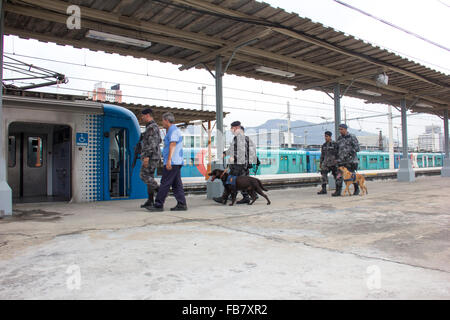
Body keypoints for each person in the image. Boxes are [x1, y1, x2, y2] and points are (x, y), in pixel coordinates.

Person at [147, 112, 187, 212]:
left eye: (163, 120)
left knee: (165, 183)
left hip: (172, 162)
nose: (162, 122)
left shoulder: (173, 131)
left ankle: (158, 205)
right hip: (175, 162)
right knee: (176, 184)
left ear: (166, 120)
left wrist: (169, 160)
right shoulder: (172, 130)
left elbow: (172, 145)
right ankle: (182, 204)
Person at [213, 121, 257, 204]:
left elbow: (242, 151)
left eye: (232, 128)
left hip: (238, 164)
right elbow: (232, 149)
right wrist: (225, 153)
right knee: (242, 182)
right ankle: (247, 197)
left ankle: (224, 198)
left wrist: (234, 157)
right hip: (243, 164)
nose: (231, 130)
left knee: (230, 180)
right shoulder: (241, 137)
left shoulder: (240, 137)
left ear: (236, 128)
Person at [139, 108, 162, 208]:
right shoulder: (152, 127)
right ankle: (150, 200)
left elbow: (152, 143)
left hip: (151, 157)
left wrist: (147, 156)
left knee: (143, 175)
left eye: (143, 115)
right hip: (153, 156)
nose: (142, 117)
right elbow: (159, 140)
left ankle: (160, 191)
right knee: (150, 177)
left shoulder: (152, 127)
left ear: (147, 115)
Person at [333, 124, 360, 197]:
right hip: (341, 161)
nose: (340, 131)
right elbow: (337, 149)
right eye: (339, 129)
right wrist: (336, 158)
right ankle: (338, 191)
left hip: (350, 161)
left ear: (345, 129)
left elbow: (357, 148)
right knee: (338, 176)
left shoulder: (352, 137)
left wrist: (349, 152)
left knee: (352, 176)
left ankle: (356, 189)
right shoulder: (339, 139)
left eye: (341, 129)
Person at [317, 131, 339, 195]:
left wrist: (337, 161)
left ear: (330, 136)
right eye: (325, 136)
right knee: (323, 175)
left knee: (336, 176)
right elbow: (322, 155)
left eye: (327, 136)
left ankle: (337, 190)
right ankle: (324, 189)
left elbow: (338, 153)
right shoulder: (324, 145)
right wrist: (321, 163)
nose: (325, 138)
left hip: (334, 163)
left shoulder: (335, 144)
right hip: (326, 163)